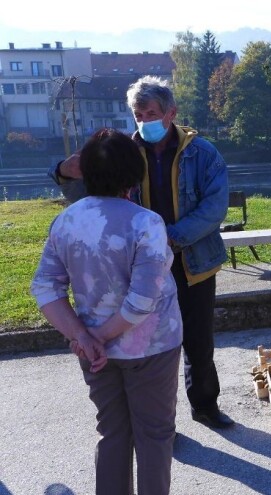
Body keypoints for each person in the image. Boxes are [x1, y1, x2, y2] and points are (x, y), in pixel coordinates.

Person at [49, 75, 234, 429]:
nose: (144, 121)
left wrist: (171, 238)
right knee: (151, 346)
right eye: (138, 114)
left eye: (151, 112)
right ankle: (161, 422)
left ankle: (206, 406)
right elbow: (90, 196)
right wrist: (62, 173)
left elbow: (214, 208)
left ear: (171, 113)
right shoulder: (122, 152)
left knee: (198, 341)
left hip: (191, 262)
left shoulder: (202, 153)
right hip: (138, 267)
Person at [32, 129, 183, 495]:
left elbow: (45, 287)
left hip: (94, 353)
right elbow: (142, 301)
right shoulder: (145, 222)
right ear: (134, 174)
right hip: (151, 347)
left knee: (112, 432)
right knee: (154, 436)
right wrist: (98, 337)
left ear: (85, 172)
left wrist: (83, 336)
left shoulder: (66, 221)